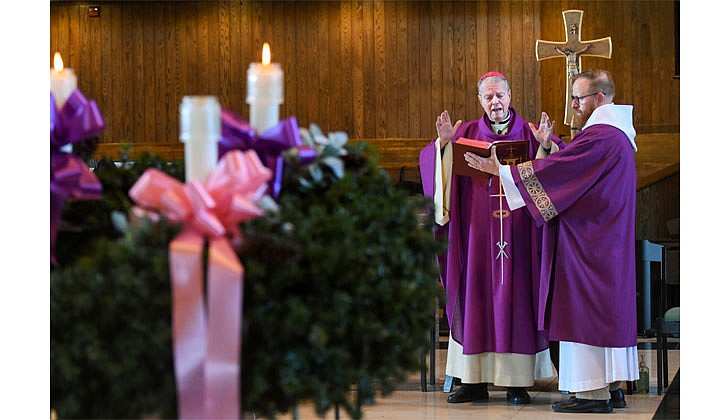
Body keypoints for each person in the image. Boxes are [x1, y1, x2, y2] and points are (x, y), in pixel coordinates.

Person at [474, 68, 639, 413]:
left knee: (584, 312)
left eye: (578, 99)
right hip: (603, 241)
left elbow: (562, 171)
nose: (574, 106)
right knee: (603, 315)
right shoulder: (616, 135)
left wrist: (503, 171)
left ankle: (591, 393)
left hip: (589, 246)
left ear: (598, 98)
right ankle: (610, 388)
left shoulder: (602, 137)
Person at [419, 71, 564, 405]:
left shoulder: (529, 134)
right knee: (476, 299)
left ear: (510, 96)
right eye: (489, 97)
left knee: (518, 301)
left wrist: (545, 147)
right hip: (476, 238)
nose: (495, 102)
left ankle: (517, 383)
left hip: (521, 238)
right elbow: (436, 176)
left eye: (500, 96)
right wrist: (442, 146)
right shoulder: (466, 133)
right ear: (479, 100)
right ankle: (473, 381)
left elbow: (554, 173)